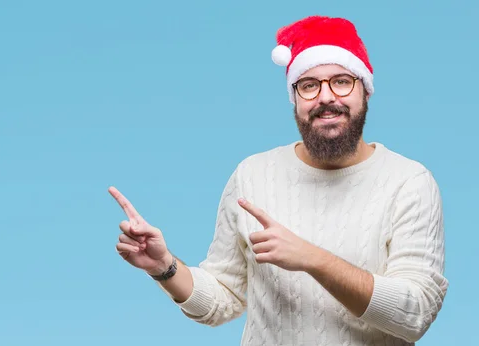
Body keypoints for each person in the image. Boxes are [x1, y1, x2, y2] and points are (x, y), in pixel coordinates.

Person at [108, 15, 448, 346]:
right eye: (309, 85)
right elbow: (221, 299)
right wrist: (163, 267)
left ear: (366, 91)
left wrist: (313, 259)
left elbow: (414, 314)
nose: (326, 97)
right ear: (295, 98)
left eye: (342, 81)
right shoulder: (253, 176)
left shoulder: (409, 182)